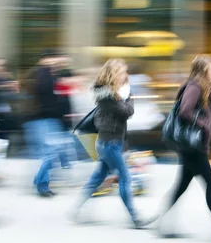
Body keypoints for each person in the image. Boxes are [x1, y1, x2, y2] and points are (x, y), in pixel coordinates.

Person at [157, 55, 211, 242]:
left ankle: (162, 223)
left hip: (192, 145)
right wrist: (205, 124)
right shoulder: (194, 86)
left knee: (181, 186)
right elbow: (185, 110)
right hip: (192, 146)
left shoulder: (202, 86)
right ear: (205, 69)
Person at [72, 59, 153, 228]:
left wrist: (127, 95)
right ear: (114, 74)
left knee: (97, 179)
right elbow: (126, 112)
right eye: (123, 72)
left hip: (110, 143)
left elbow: (124, 111)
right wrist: (130, 96)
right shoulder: (106, 95)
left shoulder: (115, 93)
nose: (126, 75)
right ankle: (135, 218)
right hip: (109, 144)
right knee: (125, 177)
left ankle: (76, 210)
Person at [23, 51, 65, 197]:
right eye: (57, 60)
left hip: (40, 119)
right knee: (49, 153)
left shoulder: (37, 74)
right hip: (43, 119)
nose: (60, 63)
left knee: (49, 153)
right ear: (47, 59)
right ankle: (41, 184)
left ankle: (41, 182)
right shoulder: (44, 75)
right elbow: (46, 97)